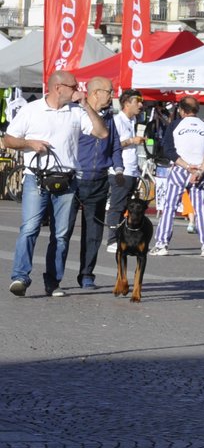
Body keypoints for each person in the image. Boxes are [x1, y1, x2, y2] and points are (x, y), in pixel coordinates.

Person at [3, 70, 108, 297]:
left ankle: (53, 281)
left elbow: (102, 133)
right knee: (30, 228)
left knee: (61, 234)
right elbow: (8, 139)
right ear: (58, 87)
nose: (78, 89)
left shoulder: (76, 112)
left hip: (66, 180)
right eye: (74, 86)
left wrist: (87, 106)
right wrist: (29, 143)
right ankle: (20, 277)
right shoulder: (32, 110)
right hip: (36, 177)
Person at [151, 97, 204, 257]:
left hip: (181, 168)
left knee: (169, 207)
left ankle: (162, 244)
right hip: (201, 170)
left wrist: (187, 166)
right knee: (200, 210)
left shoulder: (175, 125)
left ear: (181, 110)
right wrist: (200, 170)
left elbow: (168, 150)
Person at [70, 77, 118, 289]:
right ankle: (54, 276)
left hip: (99, 179)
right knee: (63, 231)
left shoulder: (109, 117)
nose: (112, 95)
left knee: (94, 232)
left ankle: (87, 274)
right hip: (73, 180)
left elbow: (115, 144)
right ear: (96, 92)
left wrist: (119, 169)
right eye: (109, 91)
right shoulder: (74, 113)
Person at [104, 90, 145, 255]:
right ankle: (112, 240)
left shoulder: (133, 120)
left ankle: (121, 239)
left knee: (126, 208)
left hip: (132, 170)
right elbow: (111, 146)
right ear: (127, 103)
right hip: (120, 170)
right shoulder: (117, 120)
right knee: (117, 206)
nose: (141, 105)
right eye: (138, 101)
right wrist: (130, 141)